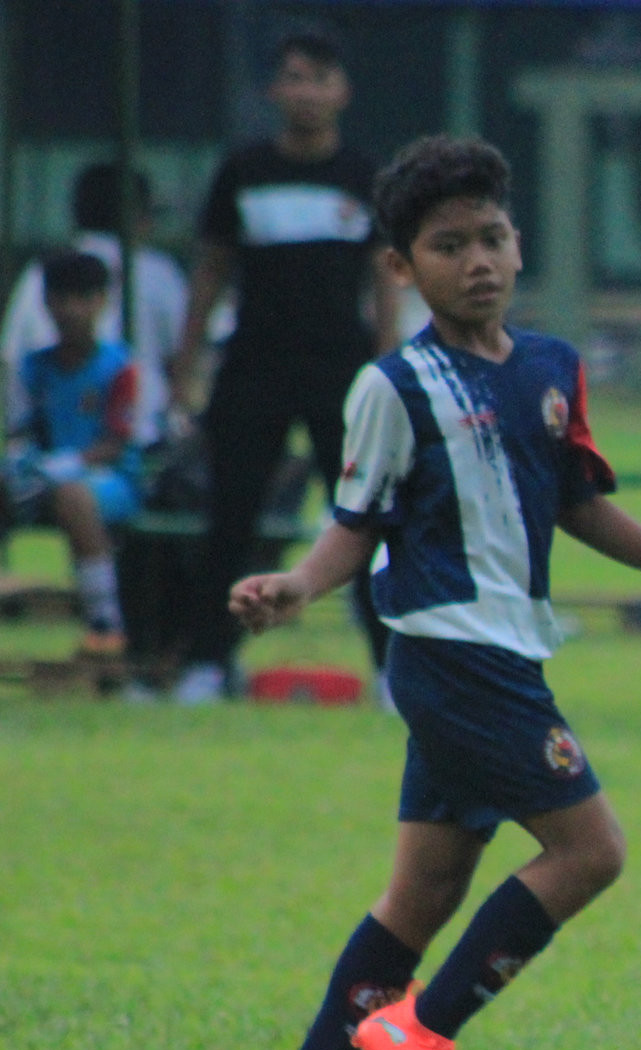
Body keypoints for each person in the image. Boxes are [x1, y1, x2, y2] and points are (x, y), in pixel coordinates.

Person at [234, 137, 641, 1050]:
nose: (477, 260)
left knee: (421, 896)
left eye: (492, 237)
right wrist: (299, 582)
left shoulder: (552, 369)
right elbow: (356, 522)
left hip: (505, 650)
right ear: (400, 268)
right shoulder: (393, 387)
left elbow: (575, 503)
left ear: (518, 246)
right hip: (449, 653)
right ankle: (421, 1031)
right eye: (447, 245)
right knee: (591, 850)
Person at [171, 26, 396, 706]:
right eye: (294, 78)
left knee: (362, 519)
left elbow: (383, 277)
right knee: (231, 518)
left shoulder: (363, 176)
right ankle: (207, 664)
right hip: (254, 368)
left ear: (343, 92)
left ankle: (390, 670)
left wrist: (389, 365)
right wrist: (188, 363)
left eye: (319, 79)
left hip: (341, 371)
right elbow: (210, 269)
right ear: (274, 90)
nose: (306, 92)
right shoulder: (244, 171)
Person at [1, 162, 189, 448]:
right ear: (136, 215)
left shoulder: (40, 271)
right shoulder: (157, 272)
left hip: (47, 437)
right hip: (138, 436)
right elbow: (183, 357)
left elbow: (11, 356)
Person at [6, 251, 134, 656]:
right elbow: (21, 430)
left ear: (100, 302)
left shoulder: (119, 367)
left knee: (72, 497)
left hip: (111, 479)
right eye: (60, 300)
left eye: (81, 299)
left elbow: (118, 440)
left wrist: (72, 464)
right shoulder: (33, 368)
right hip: (44, 476)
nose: (70, 311)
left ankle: (104, 622)